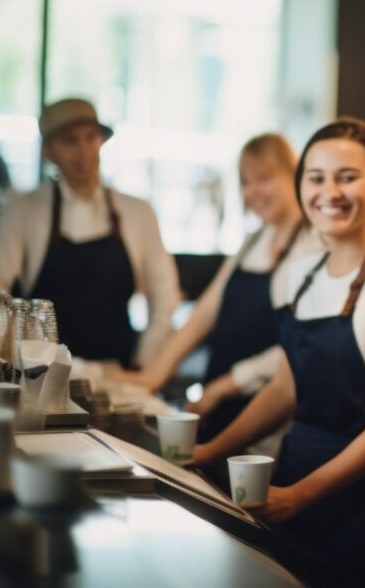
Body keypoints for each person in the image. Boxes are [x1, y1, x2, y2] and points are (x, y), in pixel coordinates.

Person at [193, 117, 365, 587]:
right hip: (288, 478)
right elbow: (285, 387)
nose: (329, 192)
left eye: (347, 177)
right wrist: (209, 452)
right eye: (316, 178)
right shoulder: (298, 274)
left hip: (359, 493)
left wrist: (303, 494)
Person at [124, 133, 322, 449]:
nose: (252, 192)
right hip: (216, 406)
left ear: (293, 174)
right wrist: (154, 375)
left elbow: (299, 348)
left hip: (267, 423)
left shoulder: (314, 246)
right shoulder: (251, 242)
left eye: (264, 179)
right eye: (245, 182)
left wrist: (224, 387)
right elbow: (204, 314)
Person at [0, 98, 180, 368]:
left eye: (90, 138)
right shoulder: (23, 212)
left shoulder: (137, 212)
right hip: (42, 373)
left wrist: (144, 364)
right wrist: (19, 359)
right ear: (48, 151)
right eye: (70, 141)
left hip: (117, 371)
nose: (83, 151)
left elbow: (165, 295)